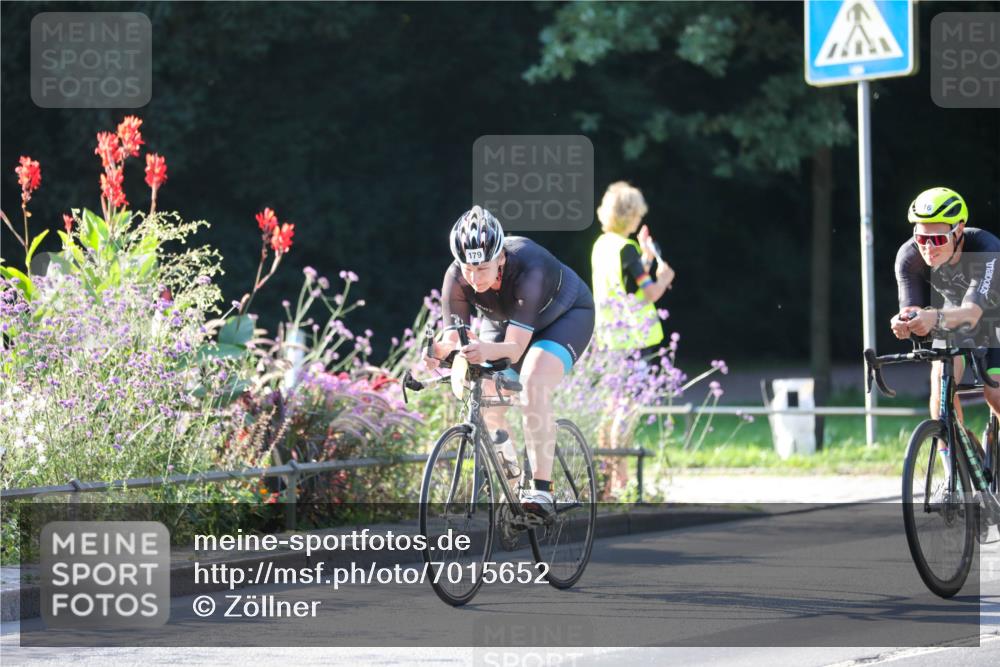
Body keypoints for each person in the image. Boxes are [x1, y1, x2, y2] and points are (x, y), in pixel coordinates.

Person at [424, 205, 595, 520]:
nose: (474, 279)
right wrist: (437, 351)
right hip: (506, 321)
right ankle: (513, 491)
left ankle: (543, 490)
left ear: (501, 258)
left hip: (564, 316)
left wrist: (481, 349)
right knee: (487, 398)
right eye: (467, 269)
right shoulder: (456, 277)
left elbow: (515, 349)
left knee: (533, 381)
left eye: (483, 269)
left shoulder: (530, 266)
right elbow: (454, 339)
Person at [890, 186, 1000, 482]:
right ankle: (957, 468)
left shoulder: (986, 248)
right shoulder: (909, 257)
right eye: (921, 238)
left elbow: (974, 313)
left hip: (992, 315)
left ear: (959, 229)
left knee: (995, 392)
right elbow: (912, 309)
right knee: (940, 384)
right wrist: (905, 321)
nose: (928, 247)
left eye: (937, 239)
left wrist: (933, 317)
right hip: (955, 314)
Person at [590, 182, 674, 496]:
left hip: (609, 337)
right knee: (627, 410)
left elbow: (629, 284)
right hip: (631, 341)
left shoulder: (603, 245)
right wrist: (664, 277)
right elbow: (649, 291)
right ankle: (622, 481)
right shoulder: (626, 249)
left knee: (611, 409)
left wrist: (646, 259)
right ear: (630, 215)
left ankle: (606, 481)